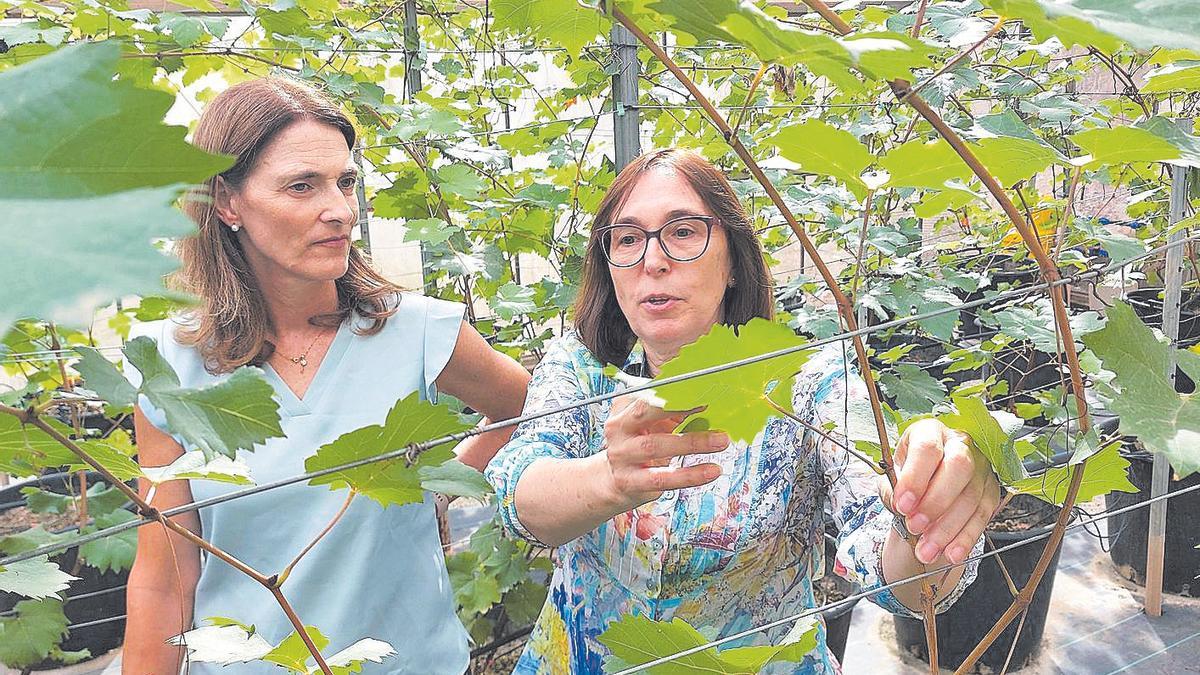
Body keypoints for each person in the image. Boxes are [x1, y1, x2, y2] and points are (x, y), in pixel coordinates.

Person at [485, 149, 1001, 673]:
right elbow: (519, 493)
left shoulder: (807, 380)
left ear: (732, 261)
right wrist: (609, 480)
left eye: (683, 231)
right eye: (627, 239)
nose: (652, 260)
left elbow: (897, 573)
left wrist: (927, 513)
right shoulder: (581, 367)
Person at [121, 77, 530, 674]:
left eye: (345, 182)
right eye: (301, 186)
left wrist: (441, 481)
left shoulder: (418, 334)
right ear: (227, 203)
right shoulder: (172, 370)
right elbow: (166, 579)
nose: (340, 210)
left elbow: (527, 404)